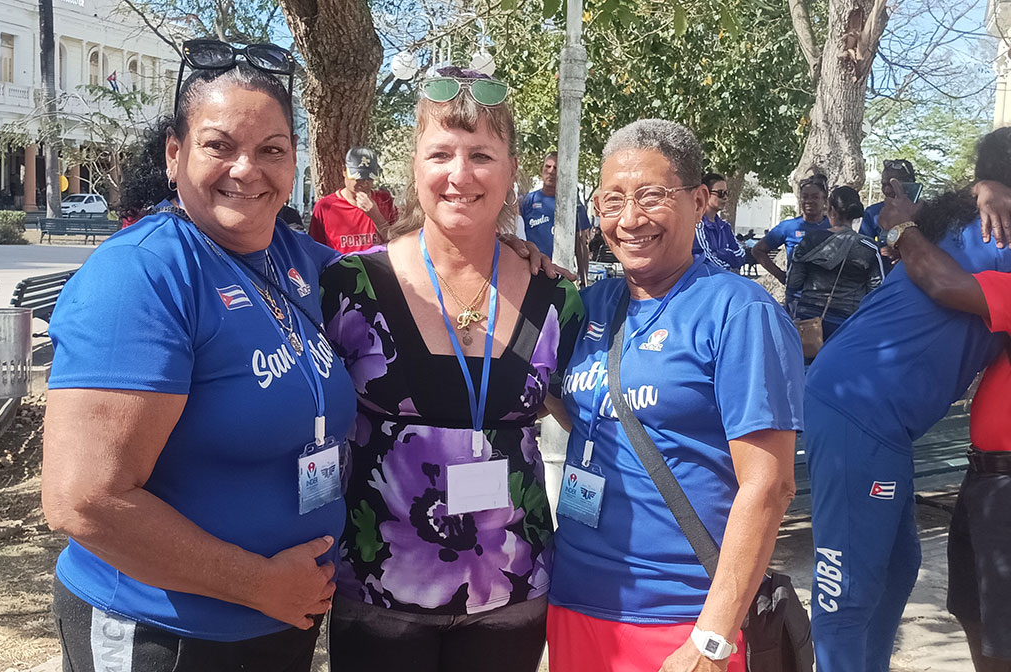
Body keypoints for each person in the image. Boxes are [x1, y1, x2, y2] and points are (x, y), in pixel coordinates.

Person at [41, 41, 357, 671]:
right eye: (220, 146)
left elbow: (415, 275)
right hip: (163, 633)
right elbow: (83, 500)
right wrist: (258, 583)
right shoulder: (142, 275)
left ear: (295, 162)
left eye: (272, 150)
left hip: (276, 627)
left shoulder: (299, 261)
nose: (247, 169)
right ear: (174, 152)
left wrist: (514, 257)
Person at [321, 66, 585, 672]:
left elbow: (593, 418)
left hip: (513, 597)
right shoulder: (348, 287)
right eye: (440, 153)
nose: (459, 175)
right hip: (378, 597)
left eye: (481, 155)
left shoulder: (557, 300)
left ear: (511, 168)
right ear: (414, 166)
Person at [548, 119, 804, 672]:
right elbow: (585, 412)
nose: (630, 218)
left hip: (681, 618)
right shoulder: (589, 306)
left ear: (700, 200)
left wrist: (712, 639)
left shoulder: (740, 313)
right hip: (574, 600)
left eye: (651, 197)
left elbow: (771, 485)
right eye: (612, 200)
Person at [803, 128, 1011, 672]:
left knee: (897, 567)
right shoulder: (999, 232)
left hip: (875, 413)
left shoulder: (966, 220)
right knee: (846, 585)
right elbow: (938, 279)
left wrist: (977, 191)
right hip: (860, 405)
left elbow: (880, 217)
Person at [875, 140, 1011, 672]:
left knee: (1002, 635)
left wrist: (901, 229)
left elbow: (943, 282)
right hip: (985, 479)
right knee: (974, 615)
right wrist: (985, 187)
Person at [785, 185, 884, 342]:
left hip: (808, 319)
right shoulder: (869, 247)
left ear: (830, 210)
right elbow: (876, 291)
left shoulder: (808, 241)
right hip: (847, 322)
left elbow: (793, 282)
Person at [308, 146, 398, 253]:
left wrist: (375, 215)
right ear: (344, 171)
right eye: (358, 177)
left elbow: (398, 244)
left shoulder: (384, 200)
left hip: (378, 268)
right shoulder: (325, 207)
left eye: (369, 178)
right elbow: (314, 251)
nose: (364, 183)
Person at [521, 151, 593, 284]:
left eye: (556, 168)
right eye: (547, 167)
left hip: (562, 275)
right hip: (532, 272)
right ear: (541, 170)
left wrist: (584, 280)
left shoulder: (573, 205)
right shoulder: (527, 202)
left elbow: (581, 244)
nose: (551, 171)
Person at [752, 173, 830, 293]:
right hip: (797, 298)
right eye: (805, 197)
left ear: (824, 200)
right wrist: (780, 275)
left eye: (815, 197)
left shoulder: (833, 226)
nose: (809, 201)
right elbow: (758, 250)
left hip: (827, 296)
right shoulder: (788, 227)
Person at [692, 172, 745, 271]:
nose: (725, 198)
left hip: (725, 281)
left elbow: (741, 255)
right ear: (705, 194)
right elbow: (706, 259)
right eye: (720, 193)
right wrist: (729, 268)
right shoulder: (697, 224)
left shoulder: (725, 227)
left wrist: (722, 253)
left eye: (726, 193)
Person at [858, 158, 915, 245]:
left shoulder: (923, 211)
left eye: (892, 185)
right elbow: (863, 245)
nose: (887, 190)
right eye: (884, 184)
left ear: (909, 184)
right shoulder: (872, 212)